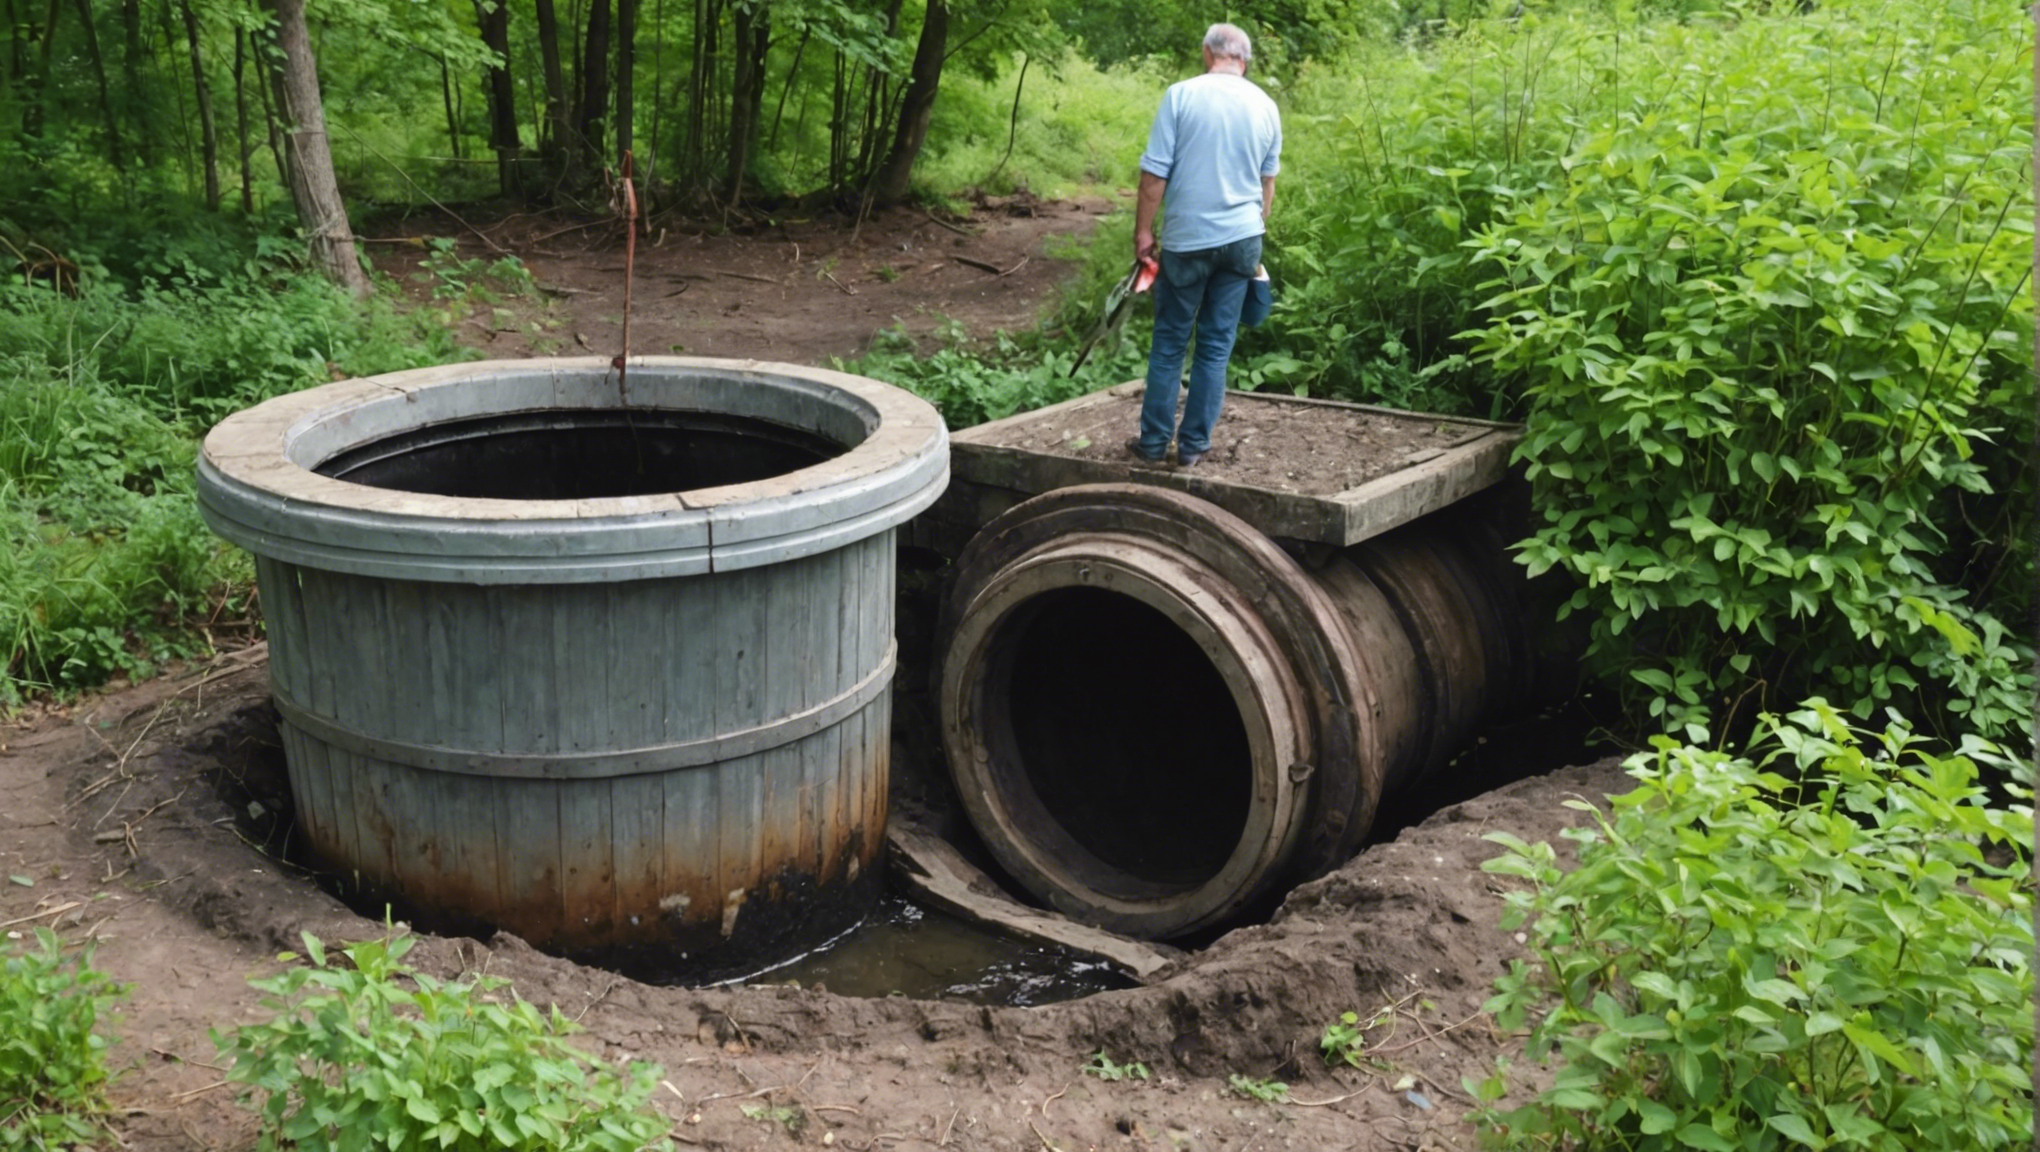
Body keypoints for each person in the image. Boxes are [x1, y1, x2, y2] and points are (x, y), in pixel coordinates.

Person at [1126, 22, 1282, 468]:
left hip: (1189, 240)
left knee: (1170, 342)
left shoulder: (1182, 95)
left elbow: (1154, 174)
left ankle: (1153, 444)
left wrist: (1143, 232)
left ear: (1207, 53)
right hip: (1243, 240)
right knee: (1216, 345)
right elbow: (1266, 183)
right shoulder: (1266, 105)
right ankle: (1193, 448)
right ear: (1244, 60)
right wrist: (1252, 230)